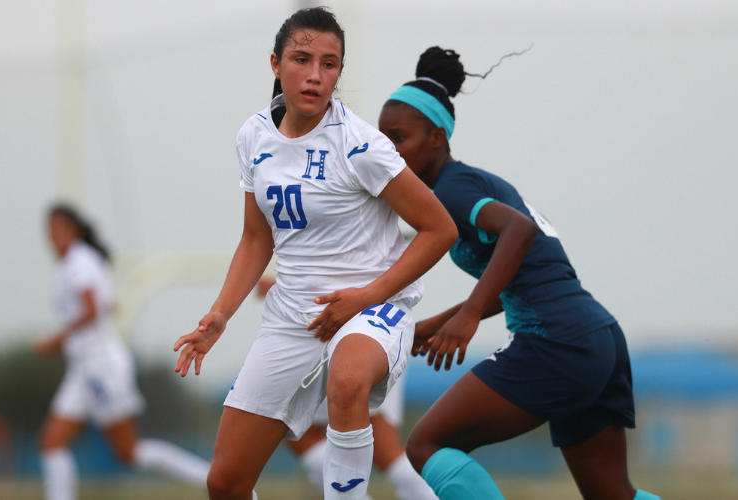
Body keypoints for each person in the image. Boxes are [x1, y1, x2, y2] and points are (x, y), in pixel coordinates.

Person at [172, 7, 456, 500]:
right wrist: (220, 315)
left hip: (372, 309)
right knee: (225, 483)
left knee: (348, 382)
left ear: (339, 73)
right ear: (276, 63)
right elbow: (257, 239)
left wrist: (366, 297)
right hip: (293, 318)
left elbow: (439, 229)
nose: (315, 75)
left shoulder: (360, 144)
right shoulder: (253, 135)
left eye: (329, 64)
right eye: (302, 59)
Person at [376, 47, 662, 500]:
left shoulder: (450, 190)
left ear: (435, 136)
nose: (387, 151)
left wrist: (468, 316)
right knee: (613, 494)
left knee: (427, 444)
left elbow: (518, 230)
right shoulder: (473, 181)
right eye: (381, 140)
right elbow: (520, 275)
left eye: (398, 137)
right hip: (597, 335)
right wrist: (435, 323)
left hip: (556, 340)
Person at [37, 203, 211, 500]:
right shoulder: (79, 263)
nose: (53, 238)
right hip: (83, 368)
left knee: (129, 453)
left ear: (74, 231)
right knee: (52, 443)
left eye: (59, 230)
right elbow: (106, 306)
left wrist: (58, 339)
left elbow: (92, 309)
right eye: (50, 232)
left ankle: (215, 478)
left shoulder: (79, 260)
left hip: (101, 367)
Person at [254, 277, 439, 500]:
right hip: (382, 327)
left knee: (298, 429)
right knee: (381, 446)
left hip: (358, 327)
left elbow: (356, 257)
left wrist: (291, 286)